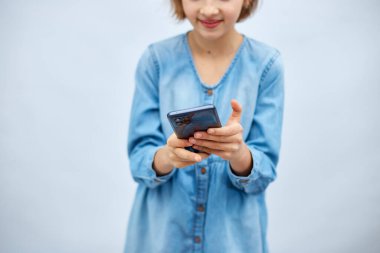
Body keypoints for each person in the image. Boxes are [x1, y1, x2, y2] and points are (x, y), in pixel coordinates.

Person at [125, 0, 284, 252]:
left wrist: (238, 153)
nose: (209, 9)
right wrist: (168, 156)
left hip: (233, 242)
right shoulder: (155, 61)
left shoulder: (266, 65)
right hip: (161, 240)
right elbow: (138, 161)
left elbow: (263, 175)